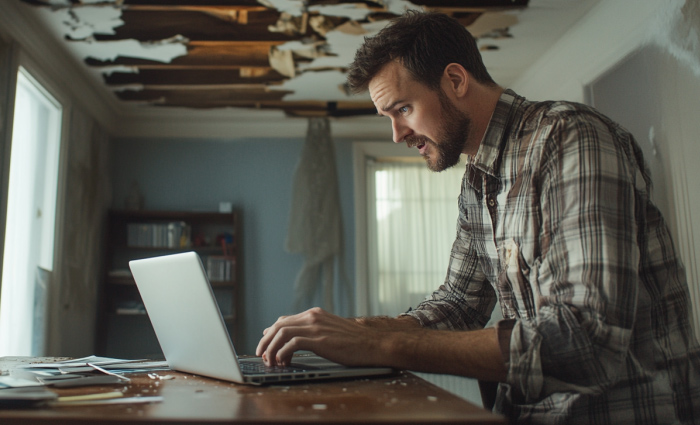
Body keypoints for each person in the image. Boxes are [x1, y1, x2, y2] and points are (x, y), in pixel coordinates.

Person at [256, 10, 700, 424]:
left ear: (455, 80)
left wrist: (381, 343)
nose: (396, 135)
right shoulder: (477, 179)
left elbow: (588, 341)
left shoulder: (570, 138)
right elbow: (459, 302)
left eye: (403, 110)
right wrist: (350, 333)